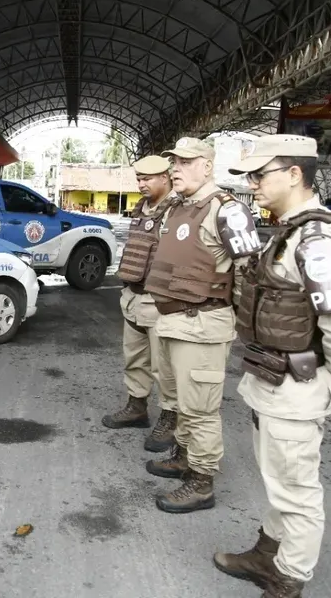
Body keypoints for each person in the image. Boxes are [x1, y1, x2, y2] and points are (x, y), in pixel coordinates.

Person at [214, 134, 331, 598]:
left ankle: (289, 578)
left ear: (295, 174)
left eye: (261, 175)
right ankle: (270, 551)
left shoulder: (318, 238)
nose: (253, 185)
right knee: (280, 481)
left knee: (297, 490)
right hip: (271, 380)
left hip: (296, 385)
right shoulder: (291, 230)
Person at [143, 137, 261, 513]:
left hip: (203, 323)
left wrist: (245, 325)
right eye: (173, 162)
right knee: (177, 400)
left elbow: (249, 274)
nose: (175, 169)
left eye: (185, 162)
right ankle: (182, 456)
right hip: (172, 321)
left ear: (207, 166)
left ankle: (201, 481)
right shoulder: (179, 207)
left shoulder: (228, 211)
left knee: (201, 410)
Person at [103, 155, 180, 452]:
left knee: (165, 367)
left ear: (166, 177)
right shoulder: (141, 207)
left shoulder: (177, 210)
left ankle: (170, 419)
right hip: (134, 295)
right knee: (134, 358)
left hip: (158, 300)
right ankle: (136, 407)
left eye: (148, 178)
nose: (141, 184)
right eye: (138, 178)